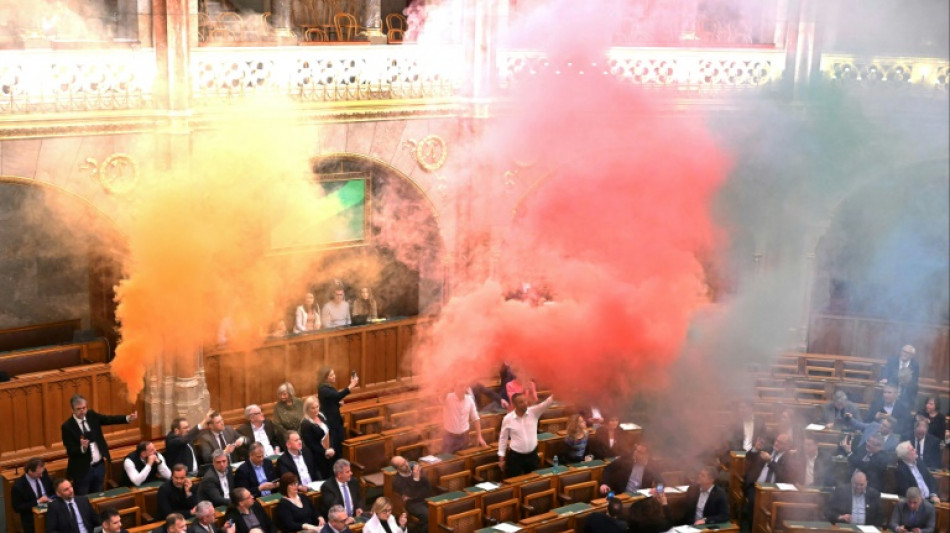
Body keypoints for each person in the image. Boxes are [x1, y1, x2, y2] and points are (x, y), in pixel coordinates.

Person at [61, 393, 138, 495]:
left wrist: (127, 418)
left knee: (99, 496)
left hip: (99, 466)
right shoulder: (67, 427)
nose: (82, 411)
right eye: (79, 409)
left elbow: (108, 419)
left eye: (84, 408)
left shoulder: (91, 415)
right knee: (84, 498)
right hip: (82, 470)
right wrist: (82, 448)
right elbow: (70, 450)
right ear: (72, 410)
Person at [498, 392, 554, 477]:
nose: (525, 404)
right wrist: (501, 459)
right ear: (514, 405)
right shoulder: (507, 419)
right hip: (515, 457)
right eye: (521, 402)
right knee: (514, 482)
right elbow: (503, 439)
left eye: (525, 401)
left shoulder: (534, 412)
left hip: (532, 455)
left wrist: (557, 392)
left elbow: (547, 403)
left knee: (534, 481)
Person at [318, 366, 359, 460]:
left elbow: (331, 400)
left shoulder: (328, 387)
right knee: (335, 448)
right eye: (331, 375)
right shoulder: (323, 389)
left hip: (336, 422)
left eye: (333, 374)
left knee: (340, 446)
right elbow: (337, 396)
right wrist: (351, 385)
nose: (334, 376)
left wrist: (337, 404)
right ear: (325, 378)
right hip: (331, 424)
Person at [600, 443, 664, 495]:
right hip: (621, 495)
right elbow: (608, 469)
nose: (635, 453)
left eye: (640, 452)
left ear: (647, 455)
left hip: (640, 497)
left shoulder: (652, 465)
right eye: (636, 450)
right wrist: (604, 484)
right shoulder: (626, 459)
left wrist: (657, 489)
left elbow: (662, 483)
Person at [11, 457, 54, 533]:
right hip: (32, 517)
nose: (41, 475)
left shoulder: (43, 473)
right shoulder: (18, 487)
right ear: (30, 471)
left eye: (42, 472)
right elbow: (17, 508)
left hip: (50, 509)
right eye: (38, 473)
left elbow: (51, 489)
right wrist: (38, 501)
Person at [442, 383, 487, 454]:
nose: (463, 389)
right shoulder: (448, 398)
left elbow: (476, 418)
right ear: (454, 387)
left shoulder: (469, 399)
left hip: (464, 437)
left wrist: (479, 436)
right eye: (460, 386)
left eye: (464, 386)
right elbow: (441, 396)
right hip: (449, 437)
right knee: (448, 462)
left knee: (463, 460)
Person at [166, 411, 213, 477]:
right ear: (177, 431)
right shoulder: (171, 440)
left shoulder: (186, 436)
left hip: (196, 474)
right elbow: (184, 440)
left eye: (188, 427)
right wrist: (203, 422)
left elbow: (192, 436)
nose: (188, 430)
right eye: (185, 428)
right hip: (182, 476)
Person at [391, 457, 432, 530]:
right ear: (397, 469)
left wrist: (414, 493)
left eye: (405, 461)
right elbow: (410, 494)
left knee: (438, 515)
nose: (406, 465)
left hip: (427, 498)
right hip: (413, 504)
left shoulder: (415, 468)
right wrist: (416, 479)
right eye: (402, 465)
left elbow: (427, 485)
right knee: (430, 517)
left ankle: (415, 527)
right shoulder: (397, 481)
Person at [300, 395, 335, 479]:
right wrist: (325, 452)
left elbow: (329, 432)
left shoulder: (321, 416)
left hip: (329, 452)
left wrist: (331, 448)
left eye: (317, 407)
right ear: (307, 409)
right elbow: (311, 444)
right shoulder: (306, 424)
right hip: (317, 457)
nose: (316, 410)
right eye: (312, 408)